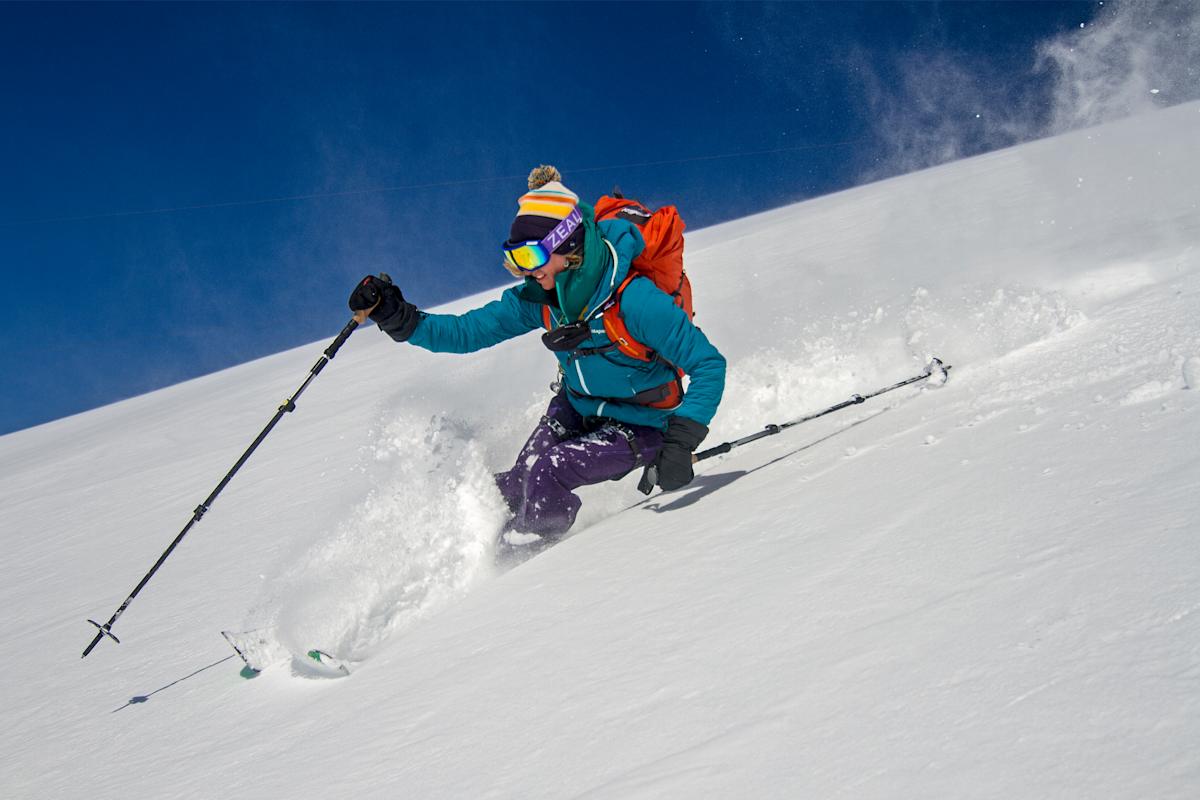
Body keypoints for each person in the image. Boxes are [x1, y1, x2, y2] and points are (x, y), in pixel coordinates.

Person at [349, 166, 725, 561]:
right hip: (579, 404)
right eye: (515, 258)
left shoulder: (636, 302)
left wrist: (680, 445)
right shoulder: (543, 299)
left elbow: (709, 365)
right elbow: (465, 332)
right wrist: (395, 315)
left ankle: (516, 569)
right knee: (520, 480)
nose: (526, 270)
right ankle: (456, 548)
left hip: (645, 424)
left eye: (530, 255)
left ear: (568, 243)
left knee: (548, 471)